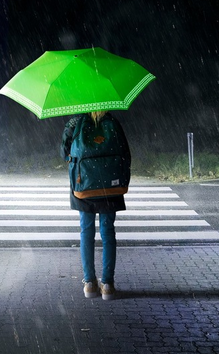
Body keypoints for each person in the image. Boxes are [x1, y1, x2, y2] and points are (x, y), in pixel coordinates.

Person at [61, 109, 131, 300]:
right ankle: (107, 284)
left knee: (86, 231)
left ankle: (89, 284)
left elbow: (64, 153)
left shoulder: (75, 124)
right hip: (110, 186)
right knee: (108, 232)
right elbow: (125, 154)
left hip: (84, 185)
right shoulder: (112, 123)